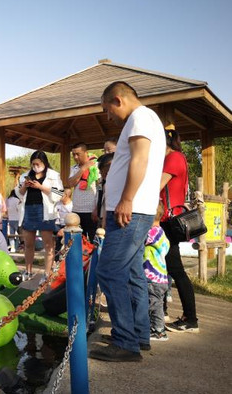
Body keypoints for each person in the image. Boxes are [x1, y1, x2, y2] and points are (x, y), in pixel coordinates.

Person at [89, 81, 166, 362]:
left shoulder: (140, 118)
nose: (108, 116)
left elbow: (139, 160)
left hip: (131, 210)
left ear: (118, 100)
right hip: (134, 209)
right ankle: (137, 334)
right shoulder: (143, 119)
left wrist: (126, 199)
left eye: (107, 109)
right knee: (132, 273)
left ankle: (126, 342)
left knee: (109, 271)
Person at [159, 126, 199, 333]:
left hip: (168, 220)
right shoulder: (172, 158)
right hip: (166, 219)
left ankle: (190, 318)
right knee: (165, 267)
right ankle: (164, 311)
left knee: (175, 270)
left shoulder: (174, 158)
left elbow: (157, 185)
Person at [15, 151, 63, 281]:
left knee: (48, 244)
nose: (35, 166)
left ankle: (46, 273)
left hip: (45, 211)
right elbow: (19, 193)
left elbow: (59, 194)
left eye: (38, 163)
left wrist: (40, 187)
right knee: (29, 243)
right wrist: (25, 186)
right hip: (28, 210)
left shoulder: (53, 175)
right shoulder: (25, 175)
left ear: (44, 163)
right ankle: (28, 271)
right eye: (33, 164)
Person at [143, 202, 170, 341]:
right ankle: (156, 328)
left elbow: (142, 241)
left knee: (152, 305)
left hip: (152, 277)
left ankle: (159, 331)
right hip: (161, 277)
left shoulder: (152, 232)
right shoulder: (162, 232)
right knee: (156, 303)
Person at [65, 142, 99, 241]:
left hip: (91, 209)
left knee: (93, 238)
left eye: (78, 154)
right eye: (73, 154)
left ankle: (94, 257)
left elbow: (100, 187)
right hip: (77, 209)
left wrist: (97, 208)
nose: (75, 157)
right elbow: (71, 183)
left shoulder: (96, 165)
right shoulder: (74, 168)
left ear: (85, 152)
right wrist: (83, 168)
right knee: (79, 239)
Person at [92, 153, 115, 228]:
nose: (99, 172)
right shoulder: (99, 181)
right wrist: (96, 208)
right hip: (101, 212)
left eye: (101, 170)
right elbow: (97, 195)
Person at [53, 188, 73, 257]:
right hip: (57, 225)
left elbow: (73, 221)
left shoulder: (72, 206)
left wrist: (64, 229)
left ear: (66, 195)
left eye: (61, 194)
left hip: (67, 225)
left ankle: (58, 257)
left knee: (62, 237)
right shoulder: (57, 204)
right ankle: (56, 258)